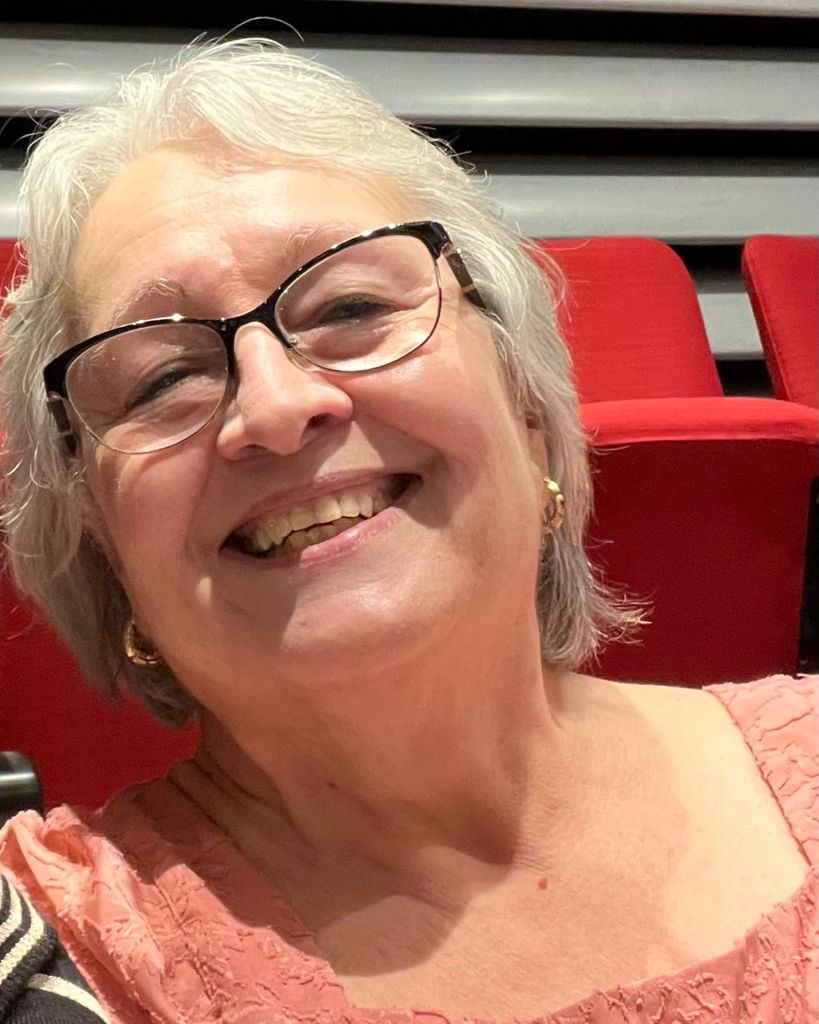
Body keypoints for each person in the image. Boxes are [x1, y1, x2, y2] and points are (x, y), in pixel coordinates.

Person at [0, 37, 815, 1024]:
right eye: (161, 378)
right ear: (101, 542)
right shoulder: (55, 957)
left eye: (351, 305)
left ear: (526, 406)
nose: (277, 407)